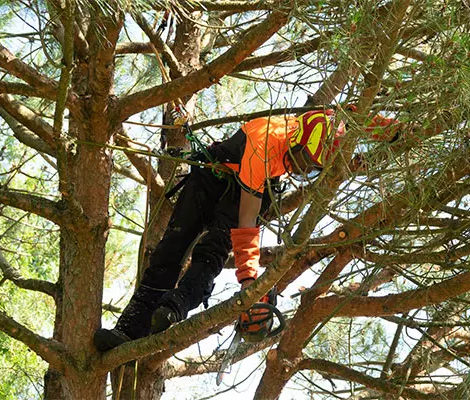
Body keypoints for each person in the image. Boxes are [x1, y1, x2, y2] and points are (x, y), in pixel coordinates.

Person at [94, 108, 400, 351]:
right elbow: (246, 227)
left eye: (310, 168)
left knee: (209, 252)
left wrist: (392, 130)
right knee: (176, 247)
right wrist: (249, 278)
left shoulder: (330, 125)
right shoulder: (265, 146)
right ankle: (130, 327)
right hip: (220, 175)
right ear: (294, 141)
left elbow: (357, 113)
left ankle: (173, 308)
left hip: (250, 180)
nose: (299, 169)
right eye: (300, 160)